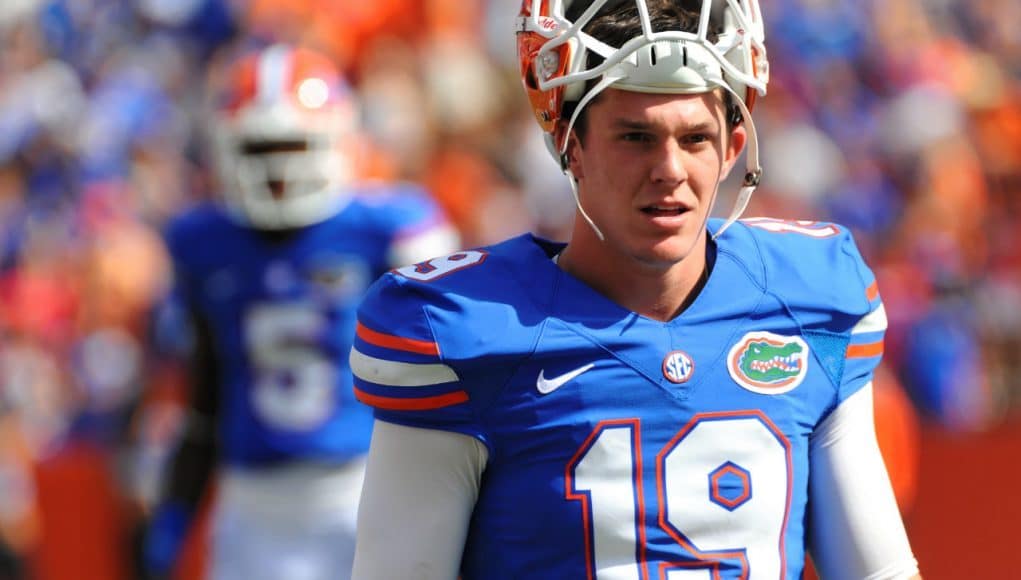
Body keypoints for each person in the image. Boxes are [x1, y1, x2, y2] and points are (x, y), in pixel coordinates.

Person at [350, 1, 922, 579]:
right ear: (570, 145)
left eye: (695, 137)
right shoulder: (462, 329)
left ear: (733, 146)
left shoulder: (811, 300)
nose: (669, 168)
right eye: (635, 137)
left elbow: (879, 572)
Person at [142, 43, 459, 580]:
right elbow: (206, 393)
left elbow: (451, 384)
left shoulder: (389, 230)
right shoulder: (202, 241)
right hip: (251, 503)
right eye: (259, 151)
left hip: (367, 490)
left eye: (290, 145)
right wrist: (175, 509)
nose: (276, 171)